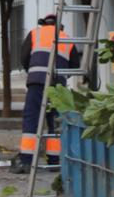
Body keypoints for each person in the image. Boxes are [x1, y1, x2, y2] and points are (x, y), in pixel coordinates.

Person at [11, 13, 80, 174]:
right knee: (55, 121)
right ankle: (54, 161)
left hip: (37, 83)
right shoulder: (66, 38)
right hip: (57, 86)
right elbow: (75, 64)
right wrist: (62, 77)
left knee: (32, 119)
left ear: (44, 23)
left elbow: (24, 57)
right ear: (59, 26)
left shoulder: (35, 33)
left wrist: (34, 72)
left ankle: (26, 161)